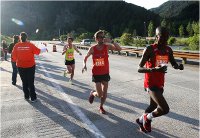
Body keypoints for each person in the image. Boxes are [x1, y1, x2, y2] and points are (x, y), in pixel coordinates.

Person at [136, 26, 184, 132]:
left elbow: (174, 64)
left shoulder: (168, 50)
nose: (165, 40)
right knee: (164, 109)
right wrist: (153, 69)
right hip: (150, 83)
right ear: (156, 36)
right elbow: (139, 68)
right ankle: (147, 119)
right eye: (162, 37)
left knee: (152, 106)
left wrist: (178, 66)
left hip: (160, 83)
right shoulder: (150, 49)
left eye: (167, 37)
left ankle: (140, 120)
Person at [82, 30, 121, 114]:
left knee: (105, 93)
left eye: (103, 37)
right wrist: (84, 65)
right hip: (96, 74)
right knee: (99, 95)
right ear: (96, 38)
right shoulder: (92, 48)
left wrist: (112, 41)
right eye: (100, 37)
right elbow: (85, 57)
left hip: (105, 73)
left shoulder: (107, 46)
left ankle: (101, 107)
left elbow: (119, 49)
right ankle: (93, 93)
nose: (102, 39)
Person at [12, 32, 48, 102]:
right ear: (27, 38)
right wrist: (45, 48)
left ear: (20, 38)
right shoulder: (30, 45)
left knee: (24, 81)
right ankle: (33, 98)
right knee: (31, 82)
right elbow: (38, 51)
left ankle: (26, 96)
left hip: (20, 66)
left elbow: (13, 57)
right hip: (30, 66)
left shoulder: (16, 46)